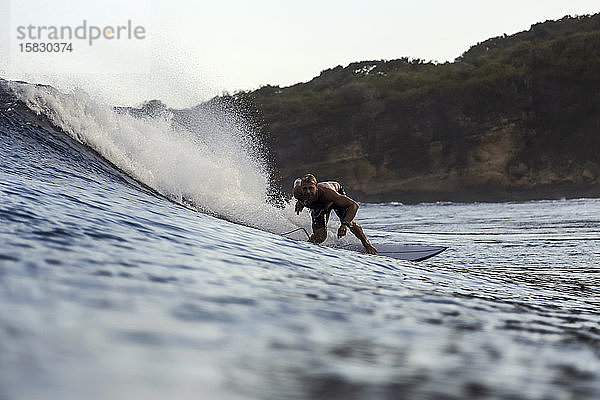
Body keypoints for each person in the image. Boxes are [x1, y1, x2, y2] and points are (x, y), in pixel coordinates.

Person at [293, 174, 377, 255]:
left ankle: (366, 244)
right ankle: (305, 248)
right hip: (320, 205)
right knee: (320, 237)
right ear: (301, 188)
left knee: (349, 222)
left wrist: (344, 224)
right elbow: (297, 180)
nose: (308, 192)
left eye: (311, 188)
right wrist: (300, 201)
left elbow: (354, 205)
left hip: (334, 198)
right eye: (305, 189)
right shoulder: (297, 192)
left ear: (316, 187)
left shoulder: (328, 194)